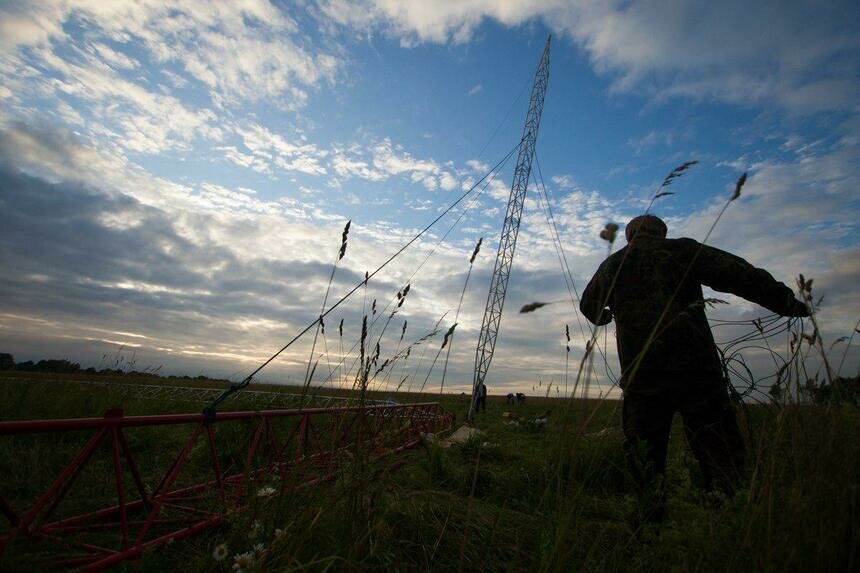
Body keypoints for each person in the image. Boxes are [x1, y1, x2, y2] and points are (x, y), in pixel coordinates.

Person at [580, 214, 807, 501]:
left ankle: (647, 529)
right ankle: (729, 512)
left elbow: (589, 305)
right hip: (697, 372)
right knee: (720, 453)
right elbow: (739, 274)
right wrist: (787, 303)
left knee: (644, 461)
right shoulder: (681, 250)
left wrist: (605, 316)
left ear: (629, 235)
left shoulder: (613, 265)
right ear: (661, 232)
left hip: (643, 378)